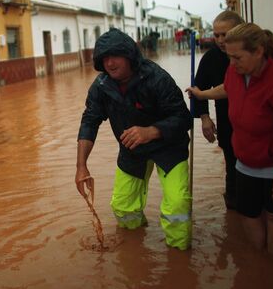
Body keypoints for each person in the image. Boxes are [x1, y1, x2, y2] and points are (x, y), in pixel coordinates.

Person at [186, 23, 273, 255]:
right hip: (246, 160)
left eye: (237, 57)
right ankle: (258, 261)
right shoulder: (236, 71)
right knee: (248, 213)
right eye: (229, 57)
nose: (231, 63)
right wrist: (202, 94)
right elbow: (228, 88)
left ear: (259, 52)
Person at [75, 29, 193, 250]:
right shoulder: (101, 86)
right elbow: (89, 122)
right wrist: (81, 166)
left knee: (177, 206)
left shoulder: (158, 79)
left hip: (169, 147)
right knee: (123, 208)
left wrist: (151, 131)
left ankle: (179, 260)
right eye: (104, 59)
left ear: (129, 55)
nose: (110, 63)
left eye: (115, 56)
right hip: (132, 150)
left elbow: (183, 118)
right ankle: (135, 249)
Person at [191, 11, 245, 210]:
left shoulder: (255, 52)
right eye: (217, 35)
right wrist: (205, 119)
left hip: (256, 126)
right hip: (227, 123)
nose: (221, 40)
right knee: (232, 167)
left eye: (226, 34)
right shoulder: (211, 57)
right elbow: (199, 89)